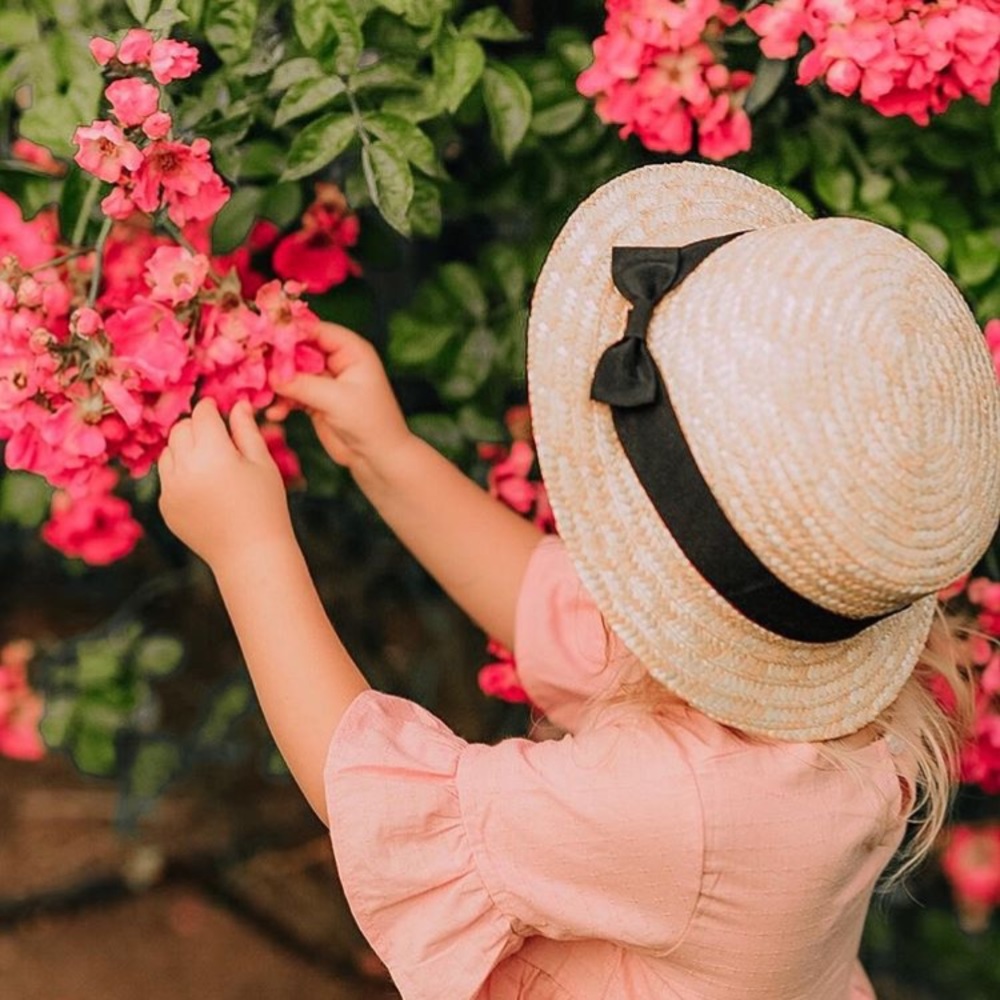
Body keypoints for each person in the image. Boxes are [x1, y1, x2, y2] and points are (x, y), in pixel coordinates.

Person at [157, 163, 1000, 999]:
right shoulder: (818, 705)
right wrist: (392, 457)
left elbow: (380, 799)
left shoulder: (678, 807)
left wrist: (250, 550)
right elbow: (547, 605)